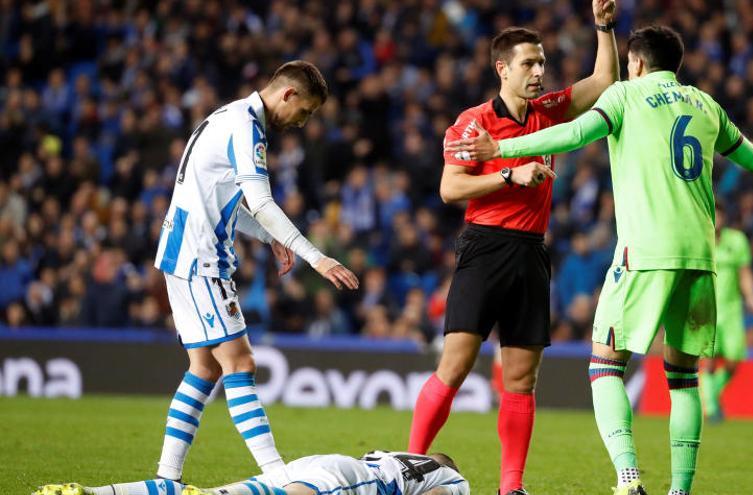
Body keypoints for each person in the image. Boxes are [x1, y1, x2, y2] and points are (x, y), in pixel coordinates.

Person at [445, 25, 753, 495]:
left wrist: (503, 148)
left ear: (638, 63)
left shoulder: (626, 96)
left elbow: (572, 134)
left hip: (645, 253)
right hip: (700, 257)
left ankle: (628, 478)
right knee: (684, 378)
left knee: (606, 366)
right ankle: (680, 489)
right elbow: (752, 159)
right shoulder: (708, 105)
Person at [407, 2, 619, 494]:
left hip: (530, 252)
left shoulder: (547, 113)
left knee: (521, 380)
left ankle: (511, 487)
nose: (539, 72)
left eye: (542, 63)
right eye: (529, 63)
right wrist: (508, 174)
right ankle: (408, 464)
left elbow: (604, 80)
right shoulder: (473, 122)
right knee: (456, 366)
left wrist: (604, 27)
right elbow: (449, 189)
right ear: (502, 68)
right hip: (484, 248)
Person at [151, 61, 359, 483]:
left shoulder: (227, 117)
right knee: (240, 362)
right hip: (200, 259)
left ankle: (167, 477)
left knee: (205, 369)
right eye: (306, 111)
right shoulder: (246, 127)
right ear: (288, 95)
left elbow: (220, 199)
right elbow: (261, 203)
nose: (303, 122)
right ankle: (279, 477)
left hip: (182, 252)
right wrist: (316, 257)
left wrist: (268, 238)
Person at [32, 451, 468, 495]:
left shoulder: (406, 455)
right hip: (348, 482)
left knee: (213, 491)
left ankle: (88, 491)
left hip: (321, 463)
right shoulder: (455, 483)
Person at [700, 201, 753, 422]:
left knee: (734, 360)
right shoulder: (699, 240)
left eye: (720, 213)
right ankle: (711, 408)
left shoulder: (737, 241)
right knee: (708, 359)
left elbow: (745, 273)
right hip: (705, 308)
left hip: (732, 309)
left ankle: (711, 396)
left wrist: (752, 296)